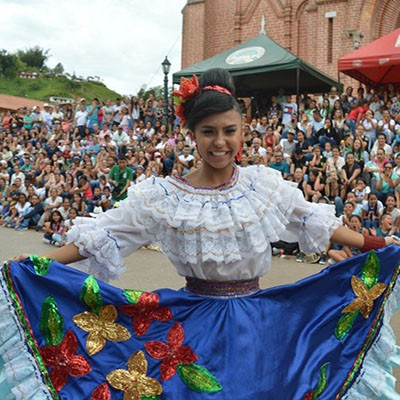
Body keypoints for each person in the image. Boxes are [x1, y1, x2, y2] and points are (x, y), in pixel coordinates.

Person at [3, 68, 400, 399]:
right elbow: (106, 235)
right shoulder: (163, 196)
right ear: (191, 133)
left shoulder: (264, 186)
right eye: (209, 131)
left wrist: (379, 244)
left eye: (230, 130)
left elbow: (322, 224)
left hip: (259, 321)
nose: (220, 142)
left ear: (243, 131)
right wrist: (37, 264)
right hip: (191, 322)